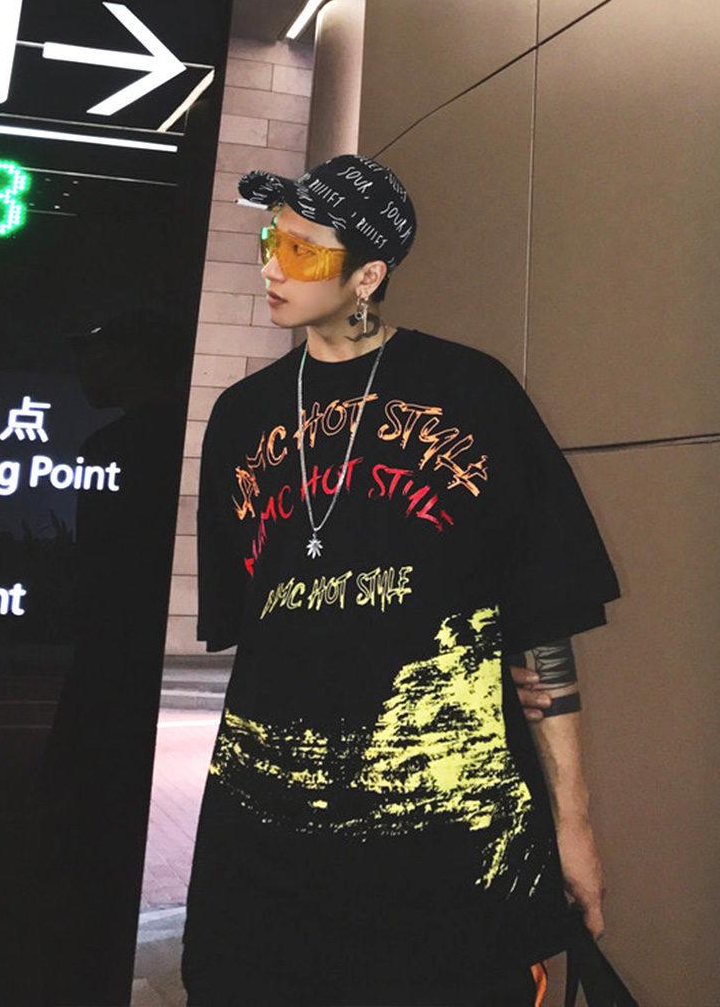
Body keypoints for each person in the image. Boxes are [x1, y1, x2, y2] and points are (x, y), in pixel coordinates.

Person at [183, 154, 619, 1006]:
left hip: (446, 850)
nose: (272, 265)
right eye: (271, 240)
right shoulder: (240, 417)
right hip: (264, 849)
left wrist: (573, 827)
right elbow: (257, 637)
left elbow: (541, 622)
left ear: (367, 276)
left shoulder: (473, 392)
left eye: (302, 250)